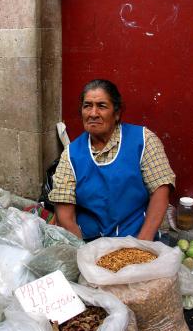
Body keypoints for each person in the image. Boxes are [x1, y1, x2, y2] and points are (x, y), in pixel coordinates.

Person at [48, 79, 175, 241]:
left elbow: (161, 190)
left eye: (101, 106)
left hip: (137, 236)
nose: (93, 113)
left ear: (116, 113)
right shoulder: (71, 154)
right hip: (90, 239)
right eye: (87, 106)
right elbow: (65, 216)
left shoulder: (143, 140)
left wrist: (141, 246)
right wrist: (84, 252)